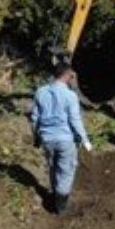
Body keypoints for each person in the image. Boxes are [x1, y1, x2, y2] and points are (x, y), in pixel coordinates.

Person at [29, 62, 92, 214]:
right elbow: (75, 120)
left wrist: (36, 137)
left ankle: (54, 195)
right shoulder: (70, 96)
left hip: (47, 138)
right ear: (68, 75)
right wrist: (85, 140)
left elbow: (34, 118)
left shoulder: (40, 92)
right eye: (71, 75)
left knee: (52, 166)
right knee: (66, 170)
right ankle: (61, 206)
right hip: (65, 139)